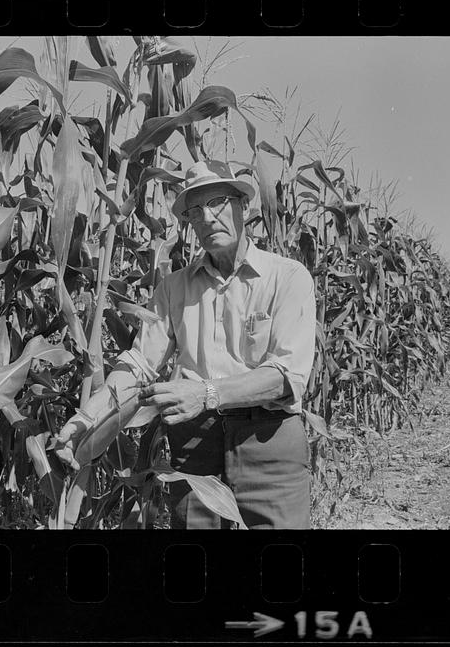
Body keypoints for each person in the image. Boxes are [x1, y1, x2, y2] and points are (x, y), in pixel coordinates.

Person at [56, 160, 317, 529]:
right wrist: (87, 419)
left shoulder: (287, 278)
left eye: (218, 203)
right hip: (194, 446)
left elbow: (287, 377)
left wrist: (206, 393)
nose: (207, 218)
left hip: (268, 441)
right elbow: (139, 366)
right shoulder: (173, 288)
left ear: (243, 205)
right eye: (196, 211)